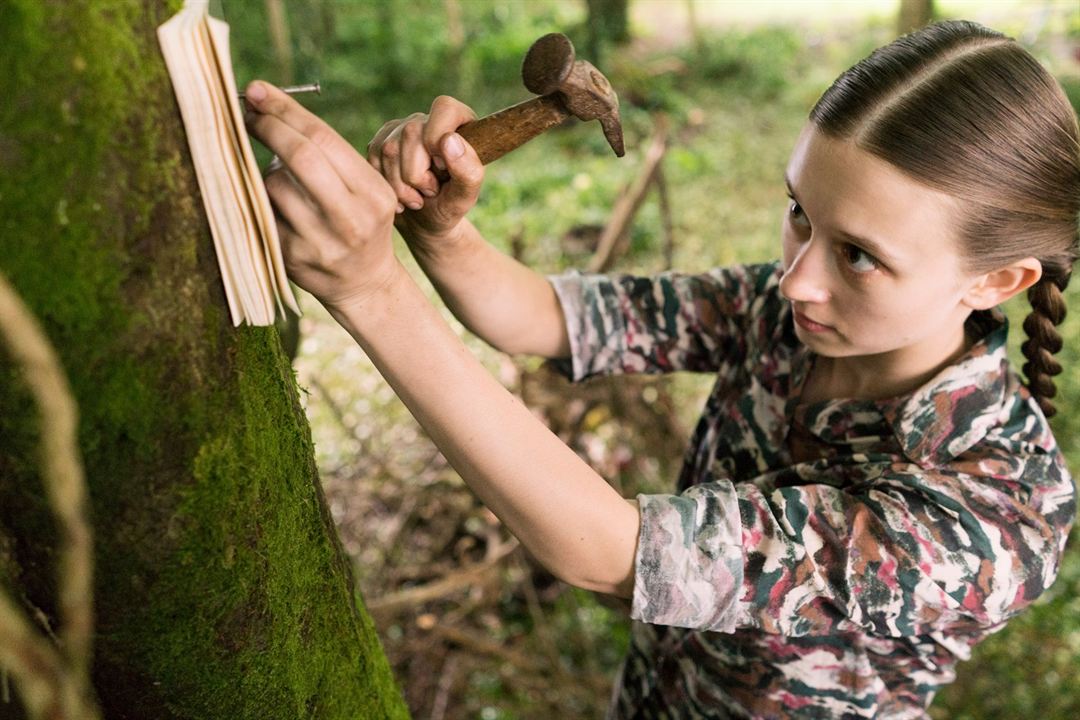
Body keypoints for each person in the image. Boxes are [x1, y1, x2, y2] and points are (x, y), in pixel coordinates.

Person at [244, 19, 1078, 719]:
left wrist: (373, 290)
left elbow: (609, 551)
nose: (798, 277)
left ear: (996, 281)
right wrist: (441, 234)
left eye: (859, 255)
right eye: (799, 214)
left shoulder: (995, 513)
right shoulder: (787, 316)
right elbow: (546, 319)